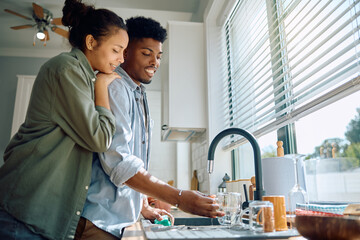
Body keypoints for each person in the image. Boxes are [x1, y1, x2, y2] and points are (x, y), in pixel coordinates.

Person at [77, 16, 223, 240]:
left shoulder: (138, 94)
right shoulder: (115, 88)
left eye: (158, 56)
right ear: (125, 52)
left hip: (117, 220)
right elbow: (118, 162)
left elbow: (132, 160)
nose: (155, 62)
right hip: (100, 221)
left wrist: (142, 205)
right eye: (146, 53)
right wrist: (179, 197)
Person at [0, 0, 129, 239]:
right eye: (116, 49)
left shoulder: (84, 76)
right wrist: (102, 86)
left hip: (38, 215)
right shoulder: (67, 69)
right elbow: (99, 138)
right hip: (23, 211)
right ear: (91, 42)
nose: (122, 58)